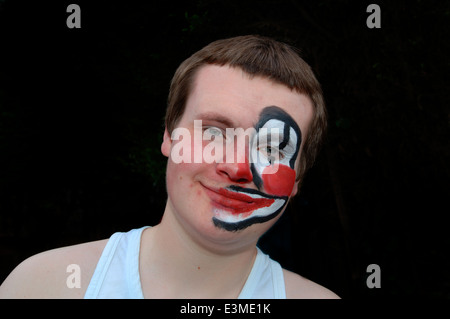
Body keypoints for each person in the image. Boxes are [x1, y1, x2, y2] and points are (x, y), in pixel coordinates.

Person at [0, 35, 339, 299]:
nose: (237, 167)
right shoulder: (44, 284)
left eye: (271, 148)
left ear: (297, 179)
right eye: (214, 132)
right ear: (169, 135)